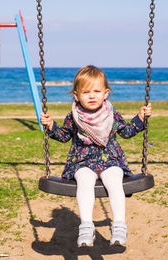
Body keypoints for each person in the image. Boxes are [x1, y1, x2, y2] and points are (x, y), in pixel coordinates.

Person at [40, 65, 152, 247]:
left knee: (115, 181)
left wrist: (140, 118)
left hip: (110, 160)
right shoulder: (74, 116)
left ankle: (119, 226)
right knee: (84, 181)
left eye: (97, 91)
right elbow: (64, 136)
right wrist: (51, 125)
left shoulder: (111, 115)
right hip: (82, 162)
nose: (92, 96)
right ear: (76, 95)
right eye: (86, 92)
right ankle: (86, 226)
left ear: (106, 93)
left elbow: (126, 132)